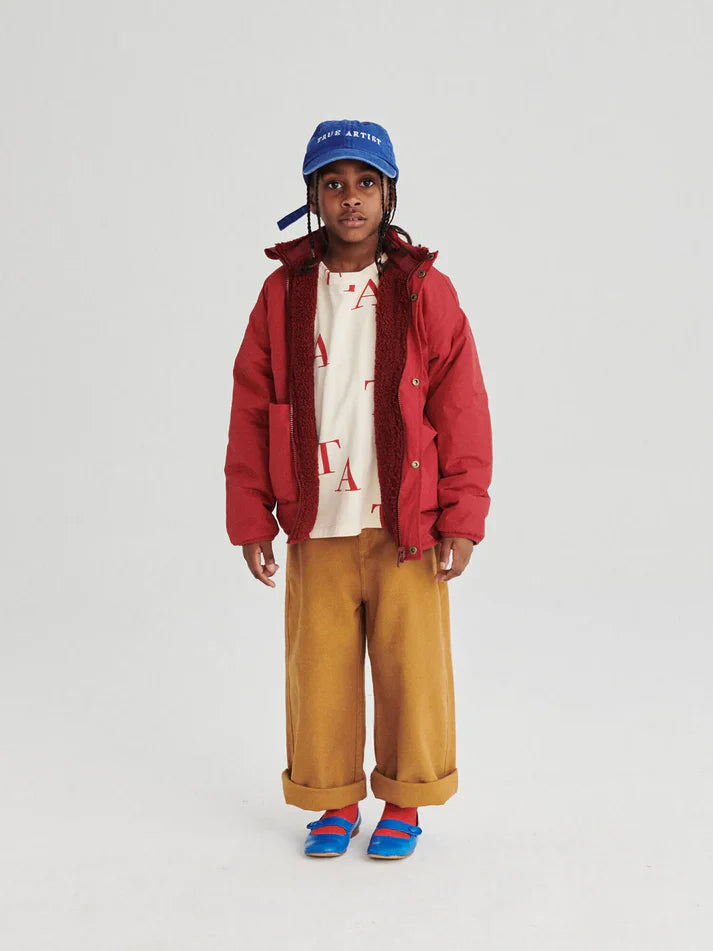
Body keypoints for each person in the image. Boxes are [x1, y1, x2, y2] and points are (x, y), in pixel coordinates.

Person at [224, 119, 493, 859]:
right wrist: (251, 516)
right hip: (315, 521)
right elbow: (252, 406)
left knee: (413, 669)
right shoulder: (283, 292)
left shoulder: (424, 290)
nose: (351, 197)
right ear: (312, 196)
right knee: (318, 671)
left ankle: (404, 802)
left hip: (407, 523)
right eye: (334, 183)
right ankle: (332, 799)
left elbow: (462, 407)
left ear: (389, 194)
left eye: (366, 182)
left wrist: (462, 517)